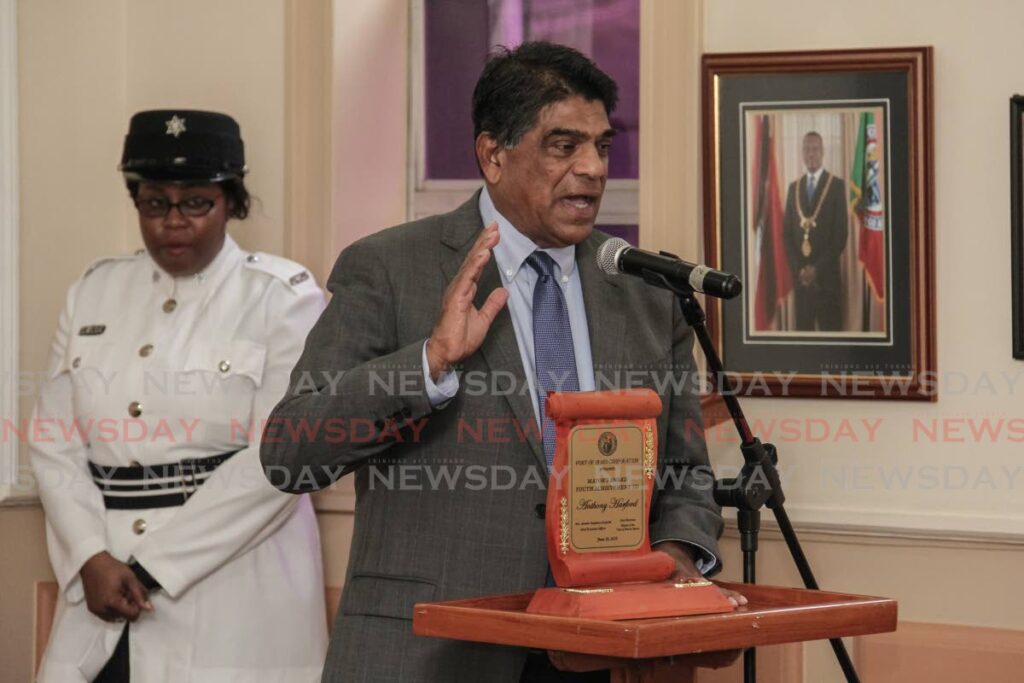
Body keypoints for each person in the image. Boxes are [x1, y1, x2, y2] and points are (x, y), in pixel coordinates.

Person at [261, 43, 739, 683]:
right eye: (563, 146)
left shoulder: (647, 291)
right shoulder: (389, 268)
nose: (593, 169)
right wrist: (428, 362)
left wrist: (678, 553)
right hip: (433, 649)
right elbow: (292, 453)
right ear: (493, 154)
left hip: (603, 649)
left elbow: (684, 469)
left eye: (602, 145)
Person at [30, 110, 328, 682]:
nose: (173, 222)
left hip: (233, 592)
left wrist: (153, 567)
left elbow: (280, 459)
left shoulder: (282, 298)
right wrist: (90, 555)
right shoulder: (93, 292)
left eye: (196, 202)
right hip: (101, 586)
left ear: (232, 203)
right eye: (154, 202)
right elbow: (53, 442)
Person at [783, 131, 850, 331]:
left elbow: (840, 236)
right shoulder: (793, 188)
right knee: (804, 347)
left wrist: (816, 270)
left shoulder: (836, 185)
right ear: (802, 154)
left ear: (823, 152)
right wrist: (800, 271)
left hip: (827, 281)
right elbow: (786, 235)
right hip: (801, 282)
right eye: (806, 149)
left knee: (831, 345)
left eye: (814, 149)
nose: (810, 154)